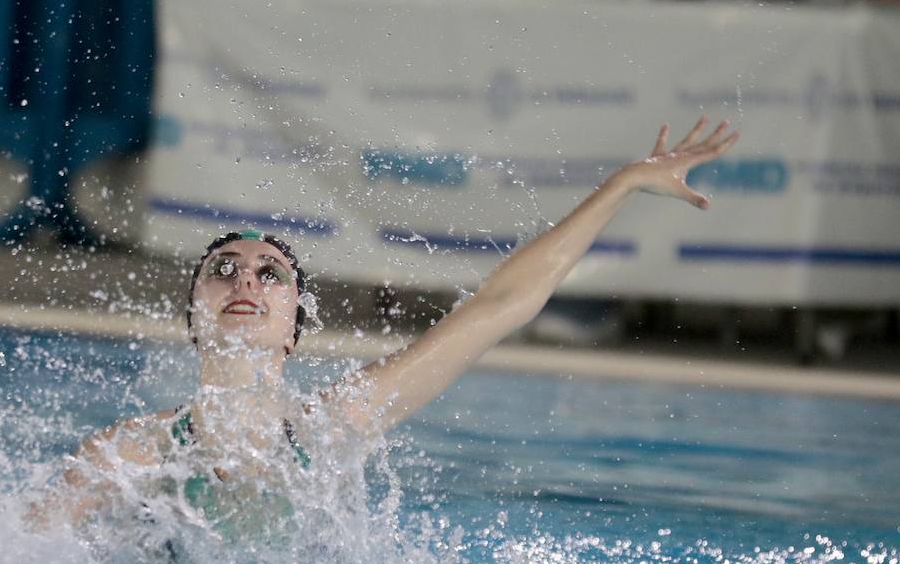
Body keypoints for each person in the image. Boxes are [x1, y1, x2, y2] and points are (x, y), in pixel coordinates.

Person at [36, 119, 739, 529]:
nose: (245, 280)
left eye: (269, 273)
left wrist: (621, 185)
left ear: (293, 326)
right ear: (193, 314)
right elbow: (23, 554)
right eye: (222, 269)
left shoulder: (334, 426)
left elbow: (497, 308)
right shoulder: (132, 454)